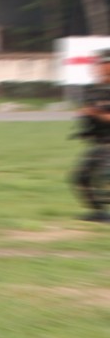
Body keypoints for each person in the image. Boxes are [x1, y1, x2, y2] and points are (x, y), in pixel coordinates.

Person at [71, 48, 110, 223]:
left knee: (105, 177)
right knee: (81, 177)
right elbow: (89, 111)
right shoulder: (94, 89)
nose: (99, 67)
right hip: (99, 143)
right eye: (98, 64)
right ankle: (99, 213)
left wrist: (96, 114)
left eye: (102, 63)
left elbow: (100, 114)